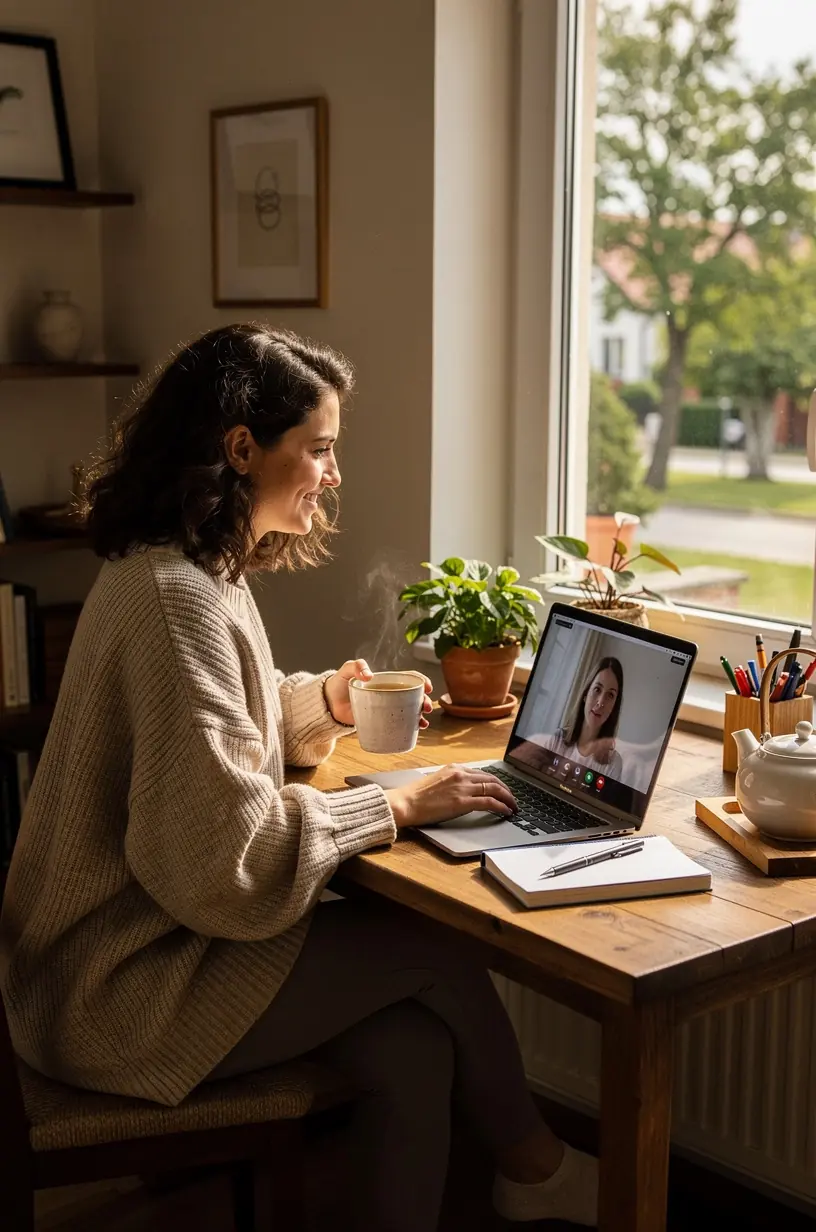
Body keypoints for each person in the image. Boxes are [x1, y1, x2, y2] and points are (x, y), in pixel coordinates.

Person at [0, 325, 597, 1230]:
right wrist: (393, 805)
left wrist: (324, 702)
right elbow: (222, 859)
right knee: (437, 950)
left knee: (411, 1049)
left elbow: (201, 740)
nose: (334, 473)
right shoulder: (177, 599)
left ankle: (524, 1177)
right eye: (319, 448)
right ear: (242, 449)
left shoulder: (186, 570)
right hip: (115, 992)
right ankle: (538, 1171)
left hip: (126, 959)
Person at [542, 657, 624, 779]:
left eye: (610, 695)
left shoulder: (613, 764)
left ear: (614, 707)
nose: (601, 702)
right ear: (585, 694)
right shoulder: (557, 740)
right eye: (597, 689)